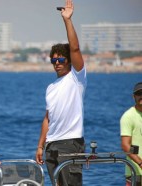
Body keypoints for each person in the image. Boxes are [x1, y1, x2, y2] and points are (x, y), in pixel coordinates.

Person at [35, 0, 87, 185]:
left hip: (70, 143)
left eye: (61, 59)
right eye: (53, 60)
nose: (57, 63)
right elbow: (47, 118)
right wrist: (41, 145)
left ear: (69, 61)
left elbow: (75, 48)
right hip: (51, 144)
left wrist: (67, 20)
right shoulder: (51, 88)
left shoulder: (76, 78)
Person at [120, 82, 142, 186]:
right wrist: (140, 163)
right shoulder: (128, 116)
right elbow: (125, 145)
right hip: (135, 172)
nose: (141, 96)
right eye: (139, 93)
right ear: (134, 97)